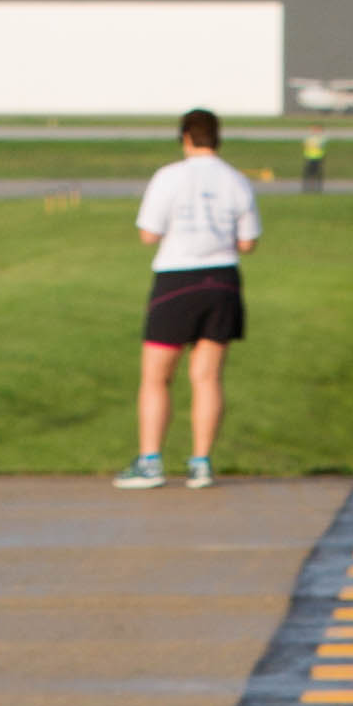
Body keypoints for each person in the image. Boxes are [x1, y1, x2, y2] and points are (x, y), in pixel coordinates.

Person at [116, 109, 260, 492]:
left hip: (177, 279)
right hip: (223, 280)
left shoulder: (169, 177)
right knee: (208, 376)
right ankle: (201, 462)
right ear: (218, 138)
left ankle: (150, 461)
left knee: (157, 376)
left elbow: (149, 233)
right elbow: (248, 243)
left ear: (185, 138)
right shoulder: (236, 180)